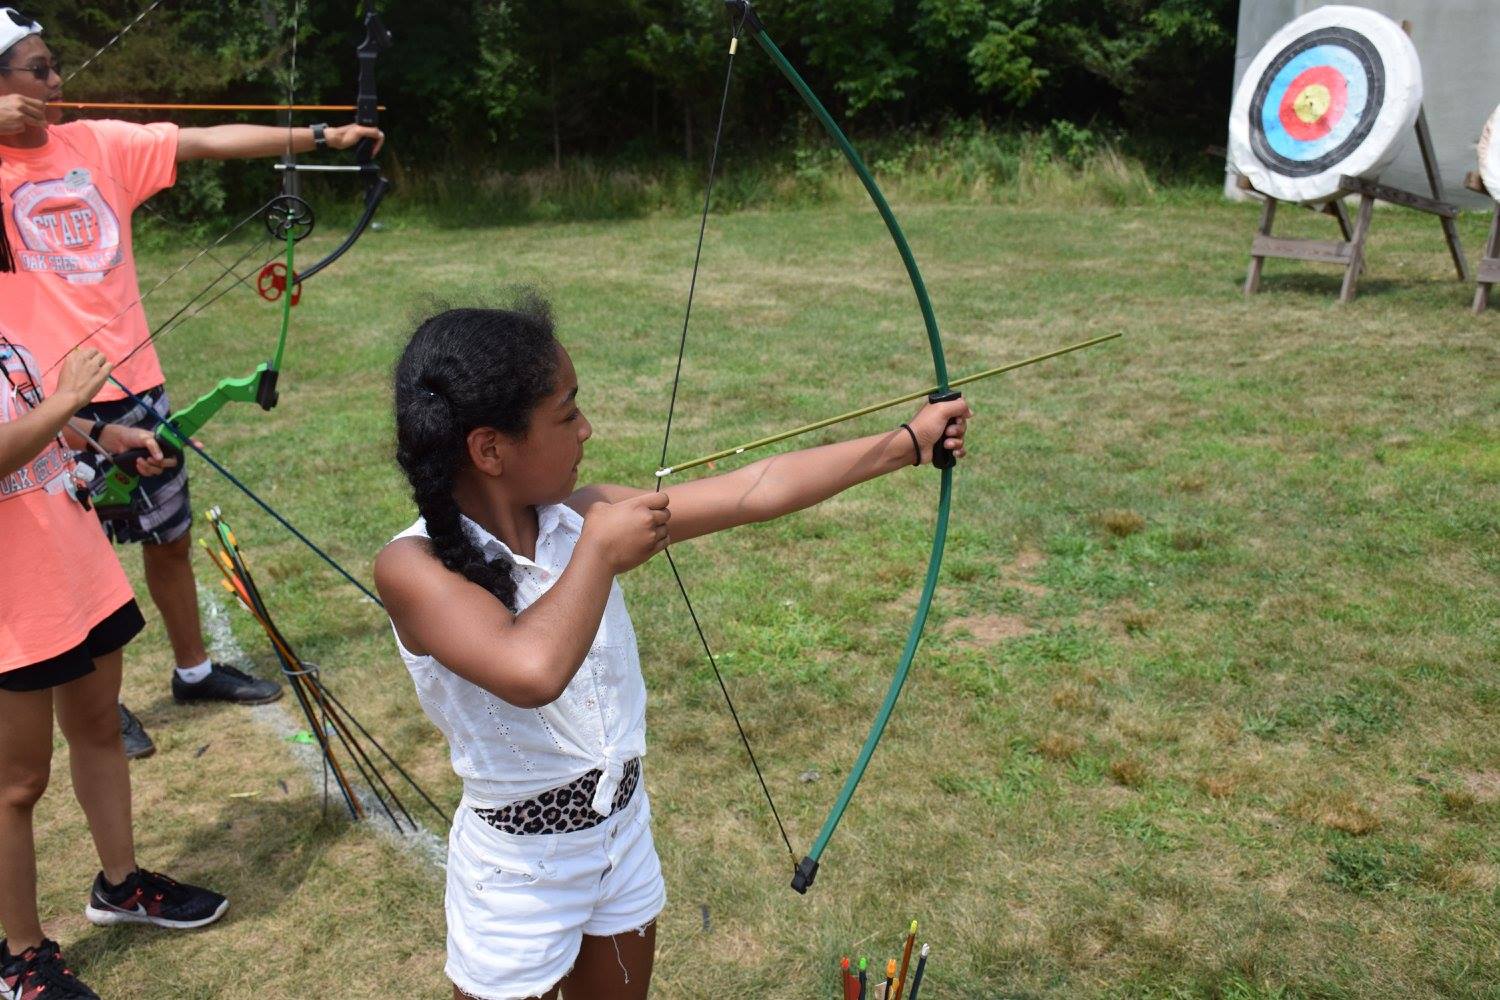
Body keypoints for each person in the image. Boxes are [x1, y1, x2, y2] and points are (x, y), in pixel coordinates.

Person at [374, 300, 972, 1000]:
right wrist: (597, 551)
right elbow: (531, 670)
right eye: (567, 415)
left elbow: (755, 491)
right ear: (489, 449)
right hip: (518, 877)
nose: (586, 429)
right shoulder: (412, 568)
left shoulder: (578, 516)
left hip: (620, 834)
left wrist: (908, 442)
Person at [0, 7, 384, 757]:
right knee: (78, 568)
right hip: (46, 402)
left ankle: (194, 668)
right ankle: (94, 709)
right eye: (39, 70)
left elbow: (206, 140)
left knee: (169, 540)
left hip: (133, 380)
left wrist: (320, 137)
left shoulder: (96, 143)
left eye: (55, 65)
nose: (57, 80)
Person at [0, 339, 229, 1000]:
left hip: (68, 557)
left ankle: (121, 885)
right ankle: (19, 957)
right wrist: (73, 399)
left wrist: (99, 431)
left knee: (98, 725)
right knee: (16, 783)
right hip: (14, 590)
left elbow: (31, 410)